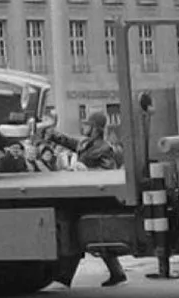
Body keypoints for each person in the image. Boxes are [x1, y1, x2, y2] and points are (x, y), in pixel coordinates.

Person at [42, 111, 127, 287]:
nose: (85, 128)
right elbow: (68, 141)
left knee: (71, 228)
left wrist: (85, 171)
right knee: (79, 232)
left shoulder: (105, 148)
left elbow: (108, 173)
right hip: (83, 195)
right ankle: (115, 273)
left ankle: (65, 276)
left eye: (88, 125)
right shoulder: (85, 143)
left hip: (97, 197)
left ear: (96, 129)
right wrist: (52, 133)